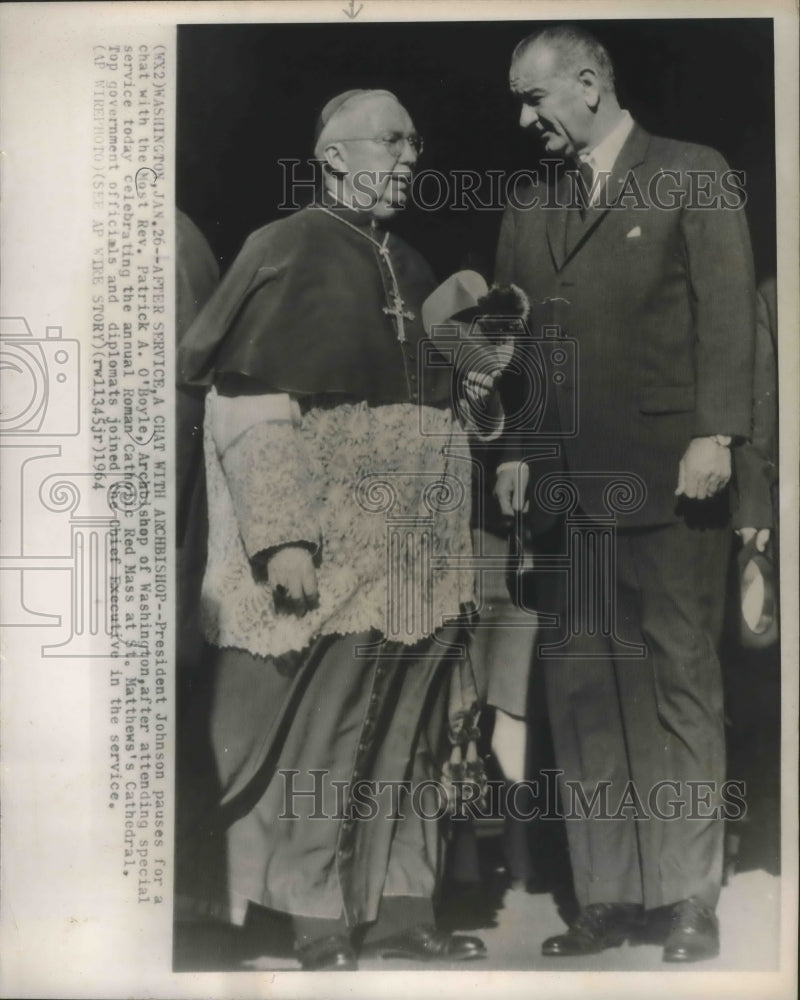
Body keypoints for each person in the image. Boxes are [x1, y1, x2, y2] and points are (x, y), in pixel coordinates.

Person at [176, 89, 491, 971]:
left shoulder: (415, 264)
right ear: (335, 156)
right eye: (391, 140)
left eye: (414, 140)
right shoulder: (283, 249)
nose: (409, 156)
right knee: (332, 731)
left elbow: (452, 401)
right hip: (338, 546)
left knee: (414, 735)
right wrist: (283, 540)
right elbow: (248, 405)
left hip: (421, 551)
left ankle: (400, 908)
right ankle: (314, 912)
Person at [494, 26, 755, 962]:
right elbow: (522, 346)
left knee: (680, 684)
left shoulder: (693, 171)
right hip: (569, 490)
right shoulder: (531, 207)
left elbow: (727, 313)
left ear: (591, 83)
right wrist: (521, 447)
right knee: (584, 694)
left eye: (535, 99)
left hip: (672, 481)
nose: (526, 121)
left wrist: (714, 432)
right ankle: (606, 900)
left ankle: (687, 897)